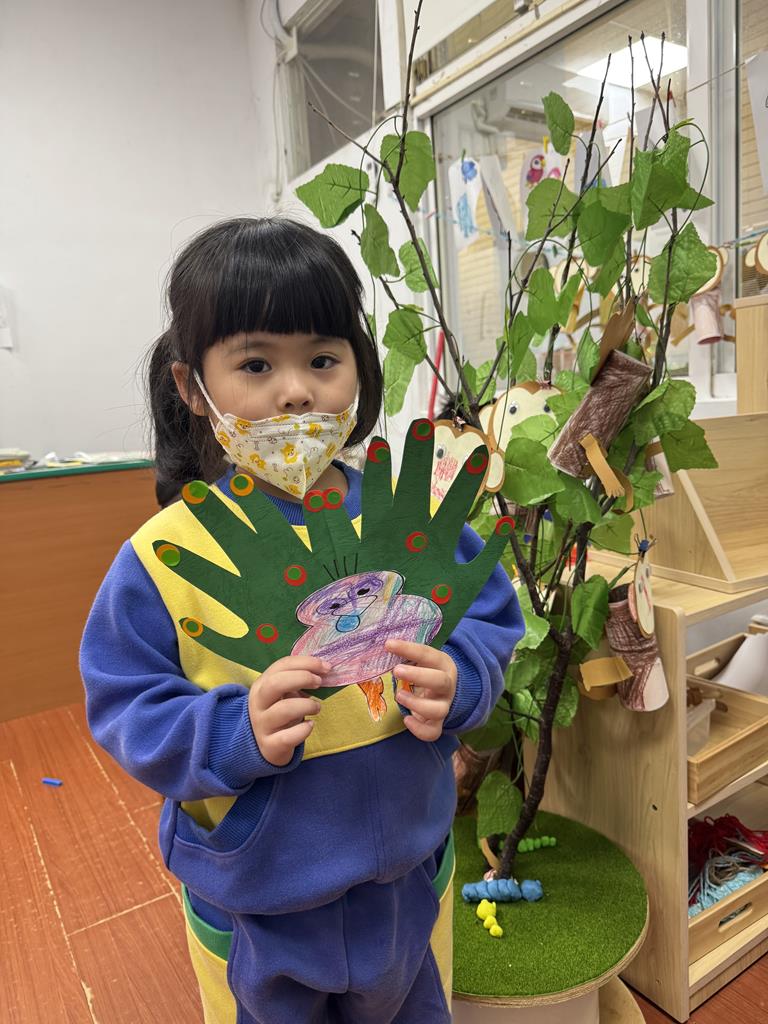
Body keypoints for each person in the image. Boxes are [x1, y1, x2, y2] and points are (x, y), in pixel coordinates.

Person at [80, 216, 523, 1024]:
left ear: (359, 366)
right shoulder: (165, 556)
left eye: (322, 359)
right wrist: (231, 732)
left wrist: (463, 680)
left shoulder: (411, 514)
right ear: (192, 387)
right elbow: (124, 703)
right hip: (261, 899)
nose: (295, 391)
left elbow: (489, 615)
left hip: (411, 876)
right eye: (255, 364)